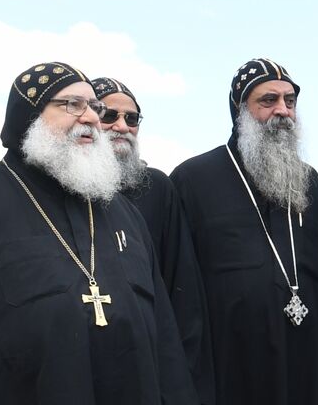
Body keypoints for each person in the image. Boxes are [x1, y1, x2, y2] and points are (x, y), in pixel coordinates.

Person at [0, 62, 197, 403]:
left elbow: (164, 338)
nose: (90, 117)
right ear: (28, 115)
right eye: (72, 104)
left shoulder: (123, 211)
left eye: (93, 107)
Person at [171, 58, 318, 405]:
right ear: (240, 110)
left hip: (309, 358)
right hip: (233, 363)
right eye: (268, 100)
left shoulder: (310, 182)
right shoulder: (192, 179)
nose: (283, 111)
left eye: (290, 101)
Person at [93, 75, 216, 404]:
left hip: (152, 363)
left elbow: (183, 289)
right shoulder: (66, 189)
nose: (122, 126)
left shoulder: (157, 188)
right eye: (109, 115)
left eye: (132, 119)